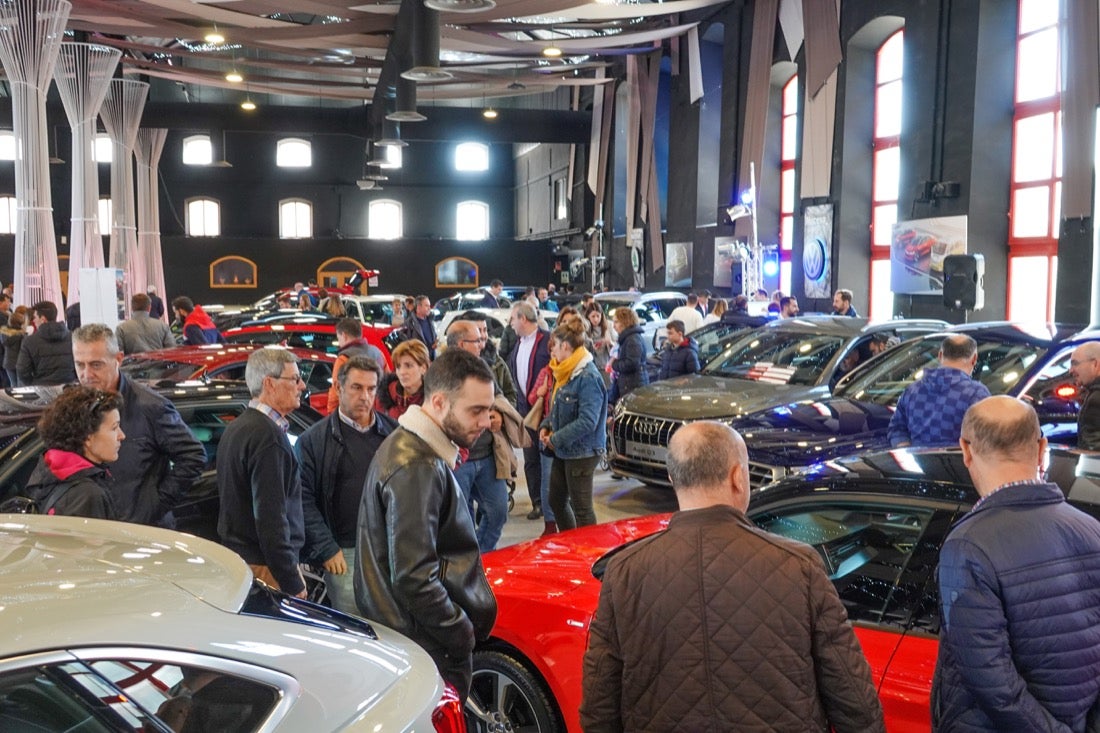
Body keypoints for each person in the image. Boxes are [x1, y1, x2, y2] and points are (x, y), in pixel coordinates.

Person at [581, 421, 885, 733]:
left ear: (673, 479)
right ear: (738, 477)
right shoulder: (799, 565)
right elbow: (855, 705)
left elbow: (599, 709)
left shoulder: (624, 572)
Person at [933, 396, 1100, 731]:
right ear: (1042, 448)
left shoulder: (967, 546)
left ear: (965, 449)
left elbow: (995, 687)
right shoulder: (1092, 529)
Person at [355, 348, 498, 702]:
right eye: (475, 411)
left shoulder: (411, 449)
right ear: (438, 403)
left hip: (412, 637)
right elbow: (414, 576)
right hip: (426, 646)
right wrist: (459, 631)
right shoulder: (417, 466)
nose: (486, 421)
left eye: (489, 409)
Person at [72, 324, 206, 526]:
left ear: (118, 359)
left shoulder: (151, 406)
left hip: (143, 534)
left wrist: (154, 505)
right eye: (80, 365)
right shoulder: (74, 406)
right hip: (94, 533)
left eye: (96, 365)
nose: (86, 374)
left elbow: (193, 455)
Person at [296, 355, 395, 614]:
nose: (365, 396)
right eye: (357, 387)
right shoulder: (313, 441)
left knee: (394, 624)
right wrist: (327, 548)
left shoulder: (395, 435)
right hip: (344, 553)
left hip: (390, 547)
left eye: (371, 389)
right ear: (339, 388)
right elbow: (302, 500)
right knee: (354, 626)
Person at [217, 348, 308, 597]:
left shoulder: (238, 427)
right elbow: (270, 518)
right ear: (270, 383)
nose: (301, 385)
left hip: (242, 562)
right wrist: (291, 579)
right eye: (295, 378)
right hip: (267, 570)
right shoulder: (268, 438)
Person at [445, 321, 517, 551]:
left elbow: (498, 397)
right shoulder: (441, 373)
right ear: (460, 343)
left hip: (487, 456)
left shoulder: (483, 368)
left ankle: (481, 558)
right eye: (477, 340)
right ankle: (470, 566)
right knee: (461, 522)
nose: (482, 344)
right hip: (458, 460)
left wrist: (497, 414)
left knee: (498, 512)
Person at [539, 318, 607, 529]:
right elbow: (558, 407)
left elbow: (588, 421)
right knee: (556, 501)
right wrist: (546, 425)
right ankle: (570, 544)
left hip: (583, 453)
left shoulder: (587, 377)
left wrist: (555, 439)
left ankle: (588, 555)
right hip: (564, 449)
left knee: (582, 510)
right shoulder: (566, 372)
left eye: (555, 347)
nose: (553, 352)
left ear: (566, 346)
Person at [23, 386, 125, 519]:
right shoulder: (87, 496)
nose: (121, 435)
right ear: (88, 437)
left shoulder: (50, 470)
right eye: (114, 428)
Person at [888, 334, 991, 448]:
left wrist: (910, 452)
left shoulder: (911, 391)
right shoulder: (977, 394)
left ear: (940, 355)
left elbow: (896, 430)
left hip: (916, 464)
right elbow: (986, 441)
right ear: (974, 359)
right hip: (960, 464)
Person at [507, 302, 552, 520]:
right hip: (526, 412)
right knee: (531, 459)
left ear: (523, 319)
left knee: (546, 461)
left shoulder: (548, 341)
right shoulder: (518, 344)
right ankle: (537, 503)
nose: (511, 323)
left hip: (545, 413)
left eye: (513, 318)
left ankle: (548, 502)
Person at [325, 318, 387, 413]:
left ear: (344, 336)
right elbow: (388, 384)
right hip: (378, 414)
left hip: (355, 414)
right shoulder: (378, 353)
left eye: (338, 338)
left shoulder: (343, 359)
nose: (339, 343)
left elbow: (336, 394)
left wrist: (331, 417)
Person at [17, 301, 76, 386]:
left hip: (42, 389)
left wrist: (34, 383)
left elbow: (22, 371)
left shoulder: (29, 341)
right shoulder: (73, 337)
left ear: (43, 319)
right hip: (69, 388)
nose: (33, 320)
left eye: (35, 317)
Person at [376, 339, 429, 419]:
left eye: (408, 366)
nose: (402, 372)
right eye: (398, 367)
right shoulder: (383, 396)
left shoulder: (432, 402)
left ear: (423, 368)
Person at [609, 306, 648, 402]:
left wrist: (614, 364)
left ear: (625, 321)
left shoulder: (632, 339)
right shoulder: (628, 338)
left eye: (616, 322)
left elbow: (631, 363)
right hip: (630, 383)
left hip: (633, 386)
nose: (613, 326)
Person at [1069, 341, 1100, 451]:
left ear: (1095, 364)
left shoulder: (1096, 400)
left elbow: (1092, 450)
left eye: (1075, 363)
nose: (1070, 370)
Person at [399, 295, 438, 359]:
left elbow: (434, 336)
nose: (429, 308)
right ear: (419, 307)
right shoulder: (409, 323)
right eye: (426, 306)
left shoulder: (430, 320)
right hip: (418, 359)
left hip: (432, 358)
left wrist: (435, 342)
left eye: (429, 306)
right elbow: (406, 342)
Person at [584, 304, 615, 377]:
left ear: (602, 315)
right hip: (593, 367)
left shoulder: (609, 326)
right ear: (588, 316)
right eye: (593, 316)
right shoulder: (585, 329)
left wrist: (610, 343)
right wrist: (592, 349)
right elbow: (583, 350)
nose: (596, 319)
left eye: (598, 316)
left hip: (608, 366)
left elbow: (618, 346)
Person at [1, 308, 25, 387]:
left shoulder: (3, 333)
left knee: (13, 385)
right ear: (20, 323)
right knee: (21, 386)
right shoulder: (21, 335)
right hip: (20, 362)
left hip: (8, 362)